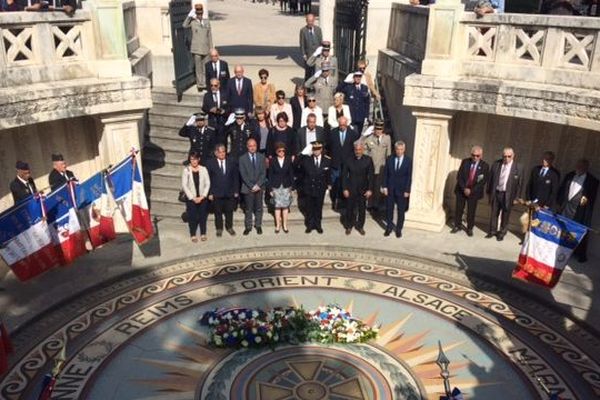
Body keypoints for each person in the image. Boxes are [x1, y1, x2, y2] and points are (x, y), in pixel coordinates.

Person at [557, 159, 598, 263]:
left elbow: (592, 198)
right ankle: (559, 247)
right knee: (562, 228)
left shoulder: (593, 181)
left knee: (575, 232)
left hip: (579, 211)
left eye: (582, 166)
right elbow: (562, 189)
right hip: (565, 208)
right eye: (578, 165)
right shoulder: (569, 175)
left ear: (586, 167)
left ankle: (576, 252)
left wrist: (586, 199)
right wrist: (559, 203)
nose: (579, 168)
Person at [451, 145, 490, 236]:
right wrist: (464, 188)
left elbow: (482, 182)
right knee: (459, 209)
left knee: (471, 211)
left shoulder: (485, 166)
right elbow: (459, 176)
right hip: (461, 190)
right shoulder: (465, 162)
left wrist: (471, 191)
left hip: (474, 193)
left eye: (477, 156)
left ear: (481, 155)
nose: (475, 157)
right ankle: (457, 225)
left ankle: (469, 228)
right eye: (473, 155)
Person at [486, 147, 524, 241]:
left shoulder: (518, 167)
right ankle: (492, 231)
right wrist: (488, 192)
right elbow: (490, 179)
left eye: (509, 156)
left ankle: (502, 232)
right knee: (494, 213)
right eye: (504, 156)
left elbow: (520, 184)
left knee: (505, 215)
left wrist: (517, 198)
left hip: (508, 196)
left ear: (513, 156)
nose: (506, 158)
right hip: (496, 193)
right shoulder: (496, 164)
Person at [327, 116, 360, 210]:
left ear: (347, 124)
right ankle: (335, 201)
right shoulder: (332, 133)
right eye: (340, 125)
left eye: (344, 125)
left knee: (345, 183)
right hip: (335, 163)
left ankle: (344, 201)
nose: (342, 127)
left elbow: (354, 149)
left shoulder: (353, 134)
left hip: (347, 164)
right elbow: (328, 147)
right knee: (335, 183)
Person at [341, 141, 374, 235]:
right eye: (356, 149)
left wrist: (370, 189)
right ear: (354, 150)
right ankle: (349, 226)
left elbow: (371, 176)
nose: (358, 151)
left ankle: (360, 226)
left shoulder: (368, 160)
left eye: (360, 150)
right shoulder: (348, 159)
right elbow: (344, 175)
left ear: (363, 150)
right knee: (349, 209)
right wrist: (344, 189)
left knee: (362, 209)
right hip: (351, 189)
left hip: (363, 189)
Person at [206, 144, 239, 237]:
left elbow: (235, 177)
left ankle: (229, 227)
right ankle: (219, 228)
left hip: (229, 192)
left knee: (229, 211)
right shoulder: (210, 163)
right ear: (216, 153)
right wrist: (210, 193)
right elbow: (208, 179)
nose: (222, 154)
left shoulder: (231, 161)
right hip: (216, 193)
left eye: (224, 151)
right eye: (220, 152)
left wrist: (236, 191)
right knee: (218, 212)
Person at [382, 141, 412, 238]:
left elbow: (409, 176)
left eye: (401, 149)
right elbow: (385, 174)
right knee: (389, 209)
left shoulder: (408, 161)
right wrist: (384, 187)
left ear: (404, 150)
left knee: (401, 211)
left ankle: (398, 229)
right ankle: (389, 227)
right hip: (390, 189)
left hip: (402, 190)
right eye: (397, 149)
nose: (399, 151)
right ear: (395, 149)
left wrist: (407, 190)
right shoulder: (390, 159)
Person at [299, 141, 330, 233]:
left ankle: (318, 224)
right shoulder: (307, 159)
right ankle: (309, 225)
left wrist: (329, 185)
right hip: (309, 187)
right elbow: (297, 162)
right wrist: (305, 151)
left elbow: (328, 174)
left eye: (318, 149)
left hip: (320, 187)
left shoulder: (327, 160)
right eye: (314, 149)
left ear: (321, 149)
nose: (316, 151)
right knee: (309, 207)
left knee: (318, 207)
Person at [239, 138, 267, 235]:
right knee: (248, 209)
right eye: (250, 146)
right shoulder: (242, 158)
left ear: (256, 146)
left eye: (254, 145)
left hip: (259, 187)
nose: (252, 148)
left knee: (259, 207)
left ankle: (258, 225)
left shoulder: (261, 157)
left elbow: (264, 173)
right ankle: (248, 226)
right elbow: (243, 175)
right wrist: (252, 186)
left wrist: (258, 185)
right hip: (248, 188)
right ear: (247, 147)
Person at [183, 2, 212, 91]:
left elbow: (209, 36)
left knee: (206, 68)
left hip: (206, 48)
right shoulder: (193, 22)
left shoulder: (206, 21)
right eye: (198, 12)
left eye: (200, 11)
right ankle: (200, 84)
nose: (199, 13)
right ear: (195, 13)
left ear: (202, 12)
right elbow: (184, 25)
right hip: (196, 49)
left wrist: (211, 48)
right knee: (198, 68)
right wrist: (189, 16)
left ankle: (206, 83)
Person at [363, 119, 391, 214]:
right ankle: (370, 204)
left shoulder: (387, 139)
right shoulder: (369, 139)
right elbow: (364, 152)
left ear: (382, 129)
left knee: (378, 186)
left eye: (380, 129)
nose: (378, 131)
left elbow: (388, 155)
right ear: (374, 129)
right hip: (371, 167)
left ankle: (376, 205)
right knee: (370, 186)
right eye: (376, 129)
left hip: (381, 167)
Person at [181, 152, 210, 242]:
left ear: (199, 159)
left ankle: (203, 233)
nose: (194, 161)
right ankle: (193, 234)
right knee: (192, 217)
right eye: (192, 159)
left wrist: (203, 196)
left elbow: (207, 183)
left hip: (202, 198)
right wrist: (192, 198)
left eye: (195, 159)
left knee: (202, 216)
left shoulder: (203, 169)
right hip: (191, 198)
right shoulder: (187, 170)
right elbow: (184, 185)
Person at [268, 143, 295, 233]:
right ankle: (278, 225)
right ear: (276, 151)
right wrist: (270, 189)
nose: (281, 152)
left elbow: (291, 174)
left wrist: (292, 188)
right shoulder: (272, 161)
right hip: (276, 186)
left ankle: (285, 225)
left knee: (285, 206)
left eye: (283, 150)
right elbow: (270, 176)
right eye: (279, 151)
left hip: (286, 186)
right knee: (277, 207)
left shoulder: (288, 160)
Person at [202, 78, 229, 143]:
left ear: (219, 85)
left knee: (222, 142)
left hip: (222, 122)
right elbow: (203, 108)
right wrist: (209, 110)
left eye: (215, 85)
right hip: (212, 122)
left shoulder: (225, 95)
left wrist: (224, 111)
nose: (213, 87)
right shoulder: (207, 95)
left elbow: (230, 108)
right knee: (212, 143)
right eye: (211, 85)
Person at [299, 13, 322, 80]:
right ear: (306, 21)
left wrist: (321, 53)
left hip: (317, 55)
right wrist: (303, 54)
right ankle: (307, 88)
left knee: (317, 72)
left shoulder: (318, 29)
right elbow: (302, 43)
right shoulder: (303, 30)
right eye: (309, 21)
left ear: (314, 20)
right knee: (308, 73)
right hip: (308, 55)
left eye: (311, 21)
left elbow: (320, 41)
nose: (310, 23)